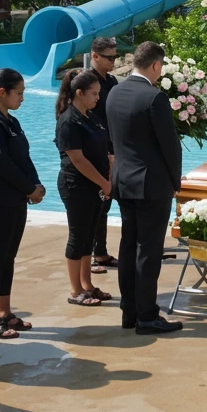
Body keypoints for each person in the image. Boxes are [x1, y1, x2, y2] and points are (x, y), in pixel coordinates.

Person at [106, 41, 183, 334]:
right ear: (155, 65)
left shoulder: (114, 92)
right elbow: (170, 146)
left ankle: (129, 312)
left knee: (128, 247)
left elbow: (114, 139)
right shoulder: (154, 98)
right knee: (148, 251)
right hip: (151, 184)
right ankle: (148, 315)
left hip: (124, 181)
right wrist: (175, 182)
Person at [0, 69, 43, 340]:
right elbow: (2, 165)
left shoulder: (10, 121)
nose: (23, 98)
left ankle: (5, 311)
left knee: (8, 257)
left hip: (15, 198)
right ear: (2, 93)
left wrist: (36, 185)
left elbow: (23, 158)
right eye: (20, 93)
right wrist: (28, 188)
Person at [54, 69, 113, 307]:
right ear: (79, 93)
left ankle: (87, 284)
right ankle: (75, 289)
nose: (98, 98)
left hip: (94, 185)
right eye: (94, 93)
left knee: (89, 236)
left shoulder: (90, 117)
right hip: (76, 185)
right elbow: (78, 160)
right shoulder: (68, 120)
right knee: (78, 237)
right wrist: (104, 182)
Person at [86, 37, 120, 273]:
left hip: (111, 146)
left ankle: (101, 251)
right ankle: (90, 253)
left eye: (115, 57)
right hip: (93, 147)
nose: (114, 62)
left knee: (106, 201)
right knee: (93, 202)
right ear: (95, 56)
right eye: (109, 58)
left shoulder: (112, 81)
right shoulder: (86, 81)